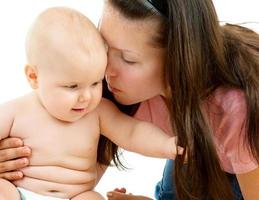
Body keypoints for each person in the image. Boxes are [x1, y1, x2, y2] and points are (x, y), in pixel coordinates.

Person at [0, 0, 259, 200]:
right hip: (193, 152)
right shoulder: (99, 82)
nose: (106, 70)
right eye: (106, 47)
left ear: (176, 59)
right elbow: (81, 173)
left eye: (128, 58)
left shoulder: (236, 108)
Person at [0, 6, 181, 200]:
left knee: (93, 197)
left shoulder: (98, 112)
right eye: (72, 86)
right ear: (34, 77)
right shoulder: (16, 111)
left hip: (75, 196)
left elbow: (132, 132)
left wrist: (167, 144)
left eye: (95, 82)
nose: (86, 96)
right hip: (20, 192)